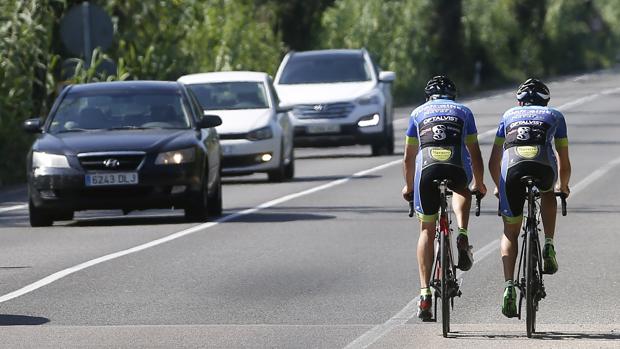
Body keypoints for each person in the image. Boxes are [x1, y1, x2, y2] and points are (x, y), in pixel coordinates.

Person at [402, 75, 487, 320]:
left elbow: (409, 157)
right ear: (453, 96)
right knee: (462, 189)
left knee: (426, 230)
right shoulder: (464, 112)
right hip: (455, 167)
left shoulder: (417, 113)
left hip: (426, 170)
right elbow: (475, 152)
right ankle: (461, 233)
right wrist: (478, 183)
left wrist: (408, 187)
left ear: (428, 97)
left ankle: (425, 294)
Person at [488, 78, 571, 318]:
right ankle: (548, 244)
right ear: (546, 101)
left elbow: (494, 160)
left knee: (510, 232)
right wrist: (562, 186)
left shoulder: (508, 115)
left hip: (511, 172)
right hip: (544, 168)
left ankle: (508, 287)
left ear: (519, 101)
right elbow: (563, 161)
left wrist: (498, 186)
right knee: (548, 192)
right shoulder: (554, 115)